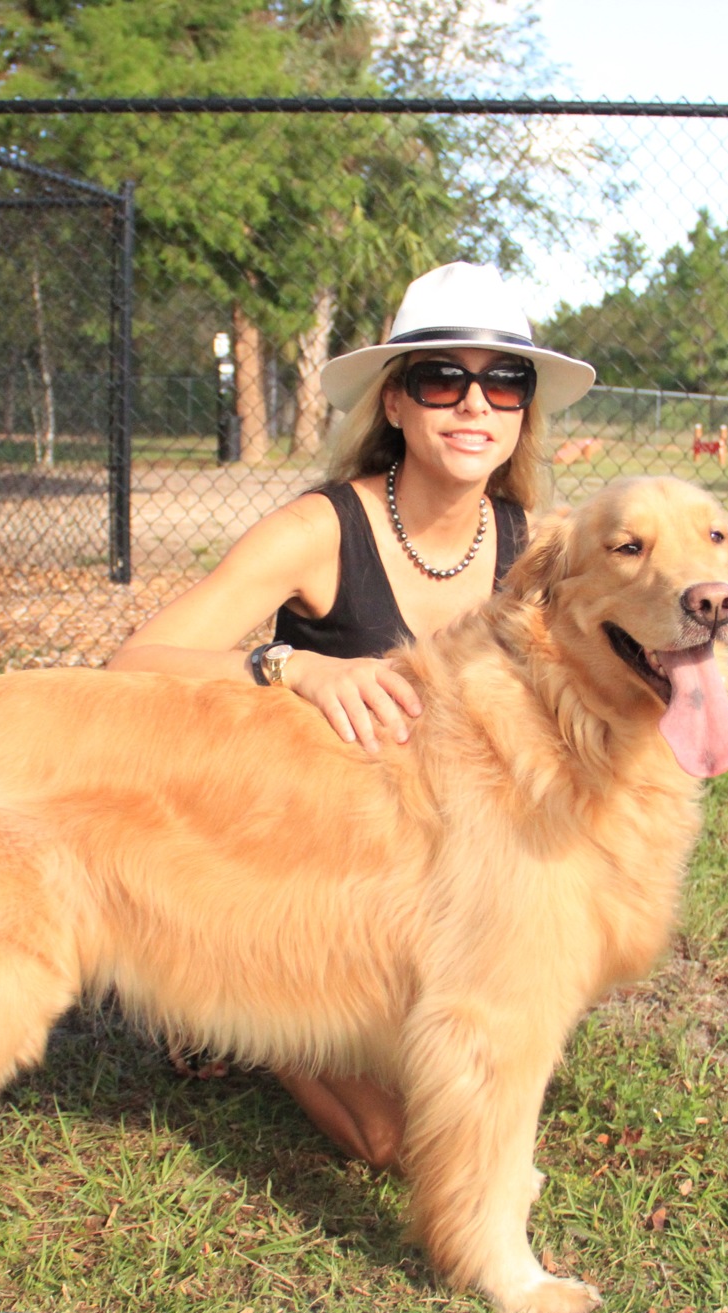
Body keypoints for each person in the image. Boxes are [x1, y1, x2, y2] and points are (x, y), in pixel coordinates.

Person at [107, 262, 597, 1169]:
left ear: (525, 407)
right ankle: (236, 998)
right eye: (441, 376)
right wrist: (290, 665)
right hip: (292, 880)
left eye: (505, 379)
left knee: (480, 1078)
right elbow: (130, 665)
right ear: (396, 403)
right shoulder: (321, 530)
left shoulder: (534, 549)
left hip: (425, 888)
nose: (473, 404)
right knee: (396, 1139)